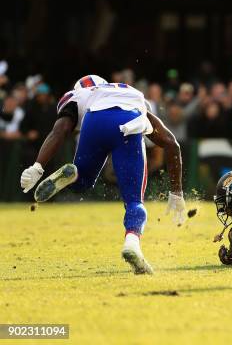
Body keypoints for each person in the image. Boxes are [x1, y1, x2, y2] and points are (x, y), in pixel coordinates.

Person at [19, 75, 186, 275]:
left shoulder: (78, 95)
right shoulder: (131, 92)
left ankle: (74, 176)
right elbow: (171, 143)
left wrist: (38, 166)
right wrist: (176, 192)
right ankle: (132, 244)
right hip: (129, 119)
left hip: (94, 121)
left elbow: (61, 130)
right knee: (134, 201)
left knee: (82, 183)